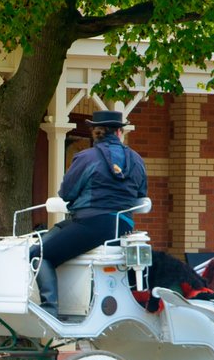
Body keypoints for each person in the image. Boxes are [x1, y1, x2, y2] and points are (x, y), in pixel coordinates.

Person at [31, 110, 148, 317]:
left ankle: (49, 309)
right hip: (124, 228)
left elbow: (66, 193)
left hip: (92, 226)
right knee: (59, 233)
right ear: (120, 132)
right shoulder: (136, 160)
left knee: (39, 254)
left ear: (95, 132)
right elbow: (141, 192)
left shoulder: (86, 158)